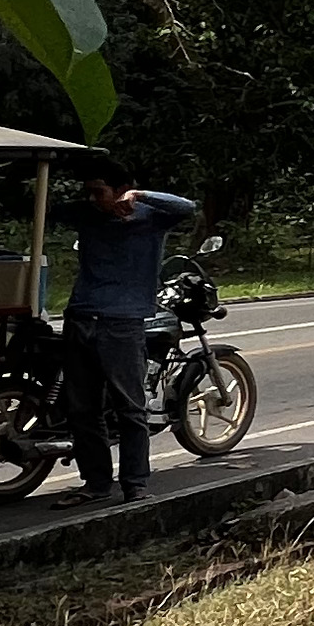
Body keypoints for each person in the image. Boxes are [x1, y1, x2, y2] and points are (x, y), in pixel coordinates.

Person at [60, 160, 200, 500]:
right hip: (80, 318)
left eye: (100, 192)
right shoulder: (89, 216)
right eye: (89, 193)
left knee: (130, 408)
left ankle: (135, 484)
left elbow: (187, 207)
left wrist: (141, 195)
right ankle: (95, 484)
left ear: (121, 190)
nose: (93, 199)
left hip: (121, 324)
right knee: (83, 410)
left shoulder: (151, 219)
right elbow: (48, 210)